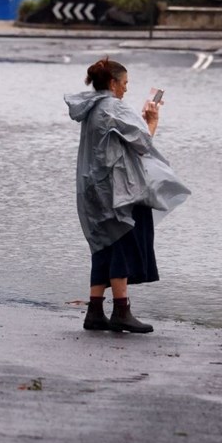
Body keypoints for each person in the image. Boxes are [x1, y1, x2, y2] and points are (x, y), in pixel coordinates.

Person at [65, 58, 190, 333]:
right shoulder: (114, 107)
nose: (126, 89)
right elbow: (143, 144)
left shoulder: (92, 107)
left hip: (93, 187)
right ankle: (122, 310)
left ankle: (95, 311)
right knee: (123, 240)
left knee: (103, 245)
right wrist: (152, 120)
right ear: (112, 83)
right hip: (117, 188)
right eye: (124, 84)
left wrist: (141, 122)